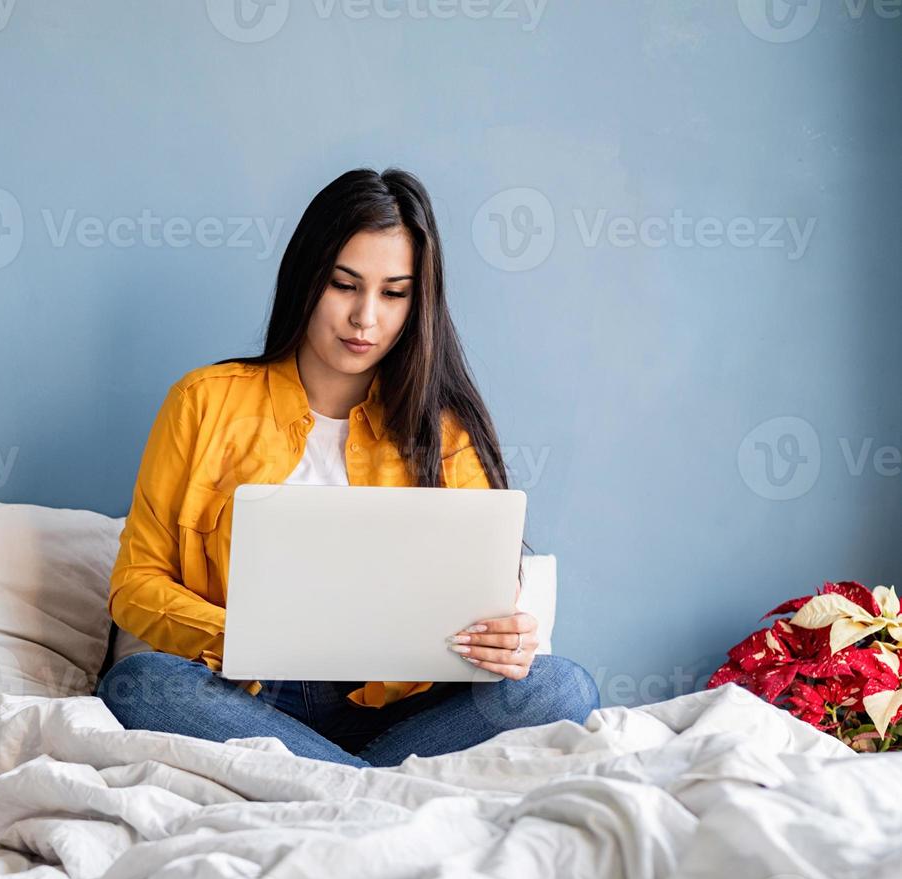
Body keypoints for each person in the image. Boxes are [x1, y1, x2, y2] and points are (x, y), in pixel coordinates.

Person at [96, 168, 599, 768]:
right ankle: (373, 791)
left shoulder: (447, 429)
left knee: (563, 686)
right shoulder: (203, 402)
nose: (366, 318)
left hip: (407, 708)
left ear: (419, 303)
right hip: (252, 700)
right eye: (344, 285)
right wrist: (242, 638)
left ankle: (332, 786)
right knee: (138, 684)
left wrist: (508, 641)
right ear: (307, 278)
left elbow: (490, 605)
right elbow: (135, 586)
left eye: (394, 293)